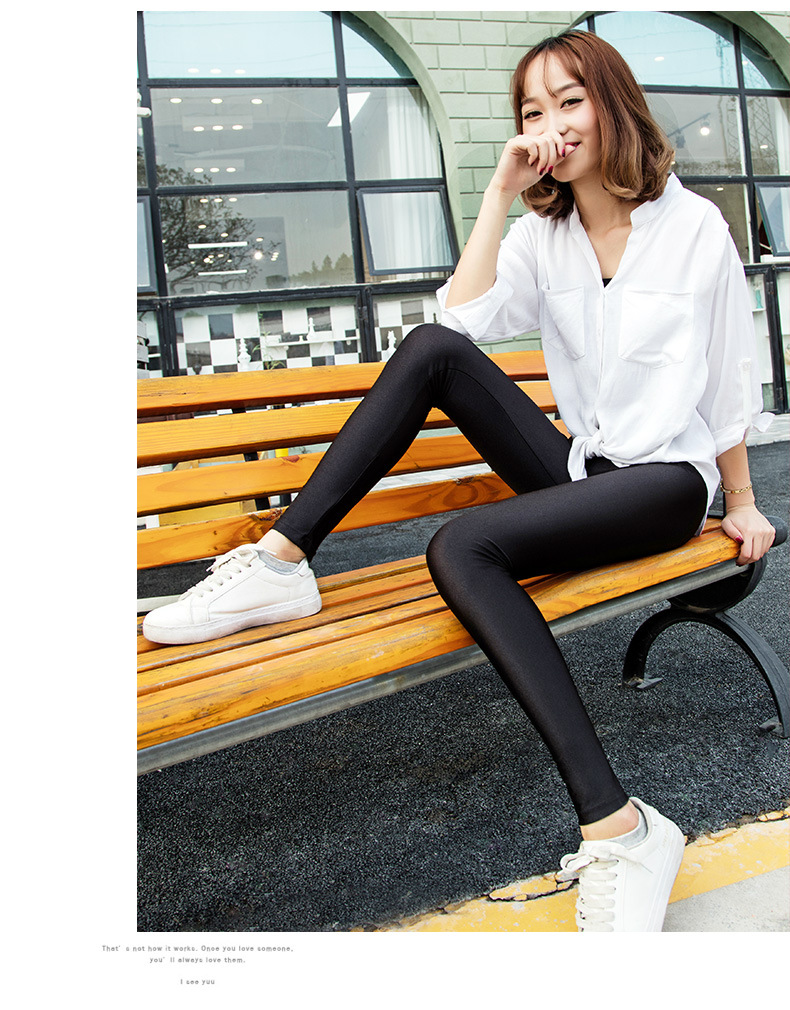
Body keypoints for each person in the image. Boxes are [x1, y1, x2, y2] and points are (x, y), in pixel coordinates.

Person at [142, 30, 777, 932]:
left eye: (570, 100)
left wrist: (742, 502)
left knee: (463, 546)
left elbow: (728, 375)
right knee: (433, 350)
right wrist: (499, 192)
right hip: (579, 470)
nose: (552, 123)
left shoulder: (694, 226)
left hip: (664, 482)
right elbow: (464, 315)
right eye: (532, 110)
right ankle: (282, 561)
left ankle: (621, 828)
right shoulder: (544, 234)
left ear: (613, 103)